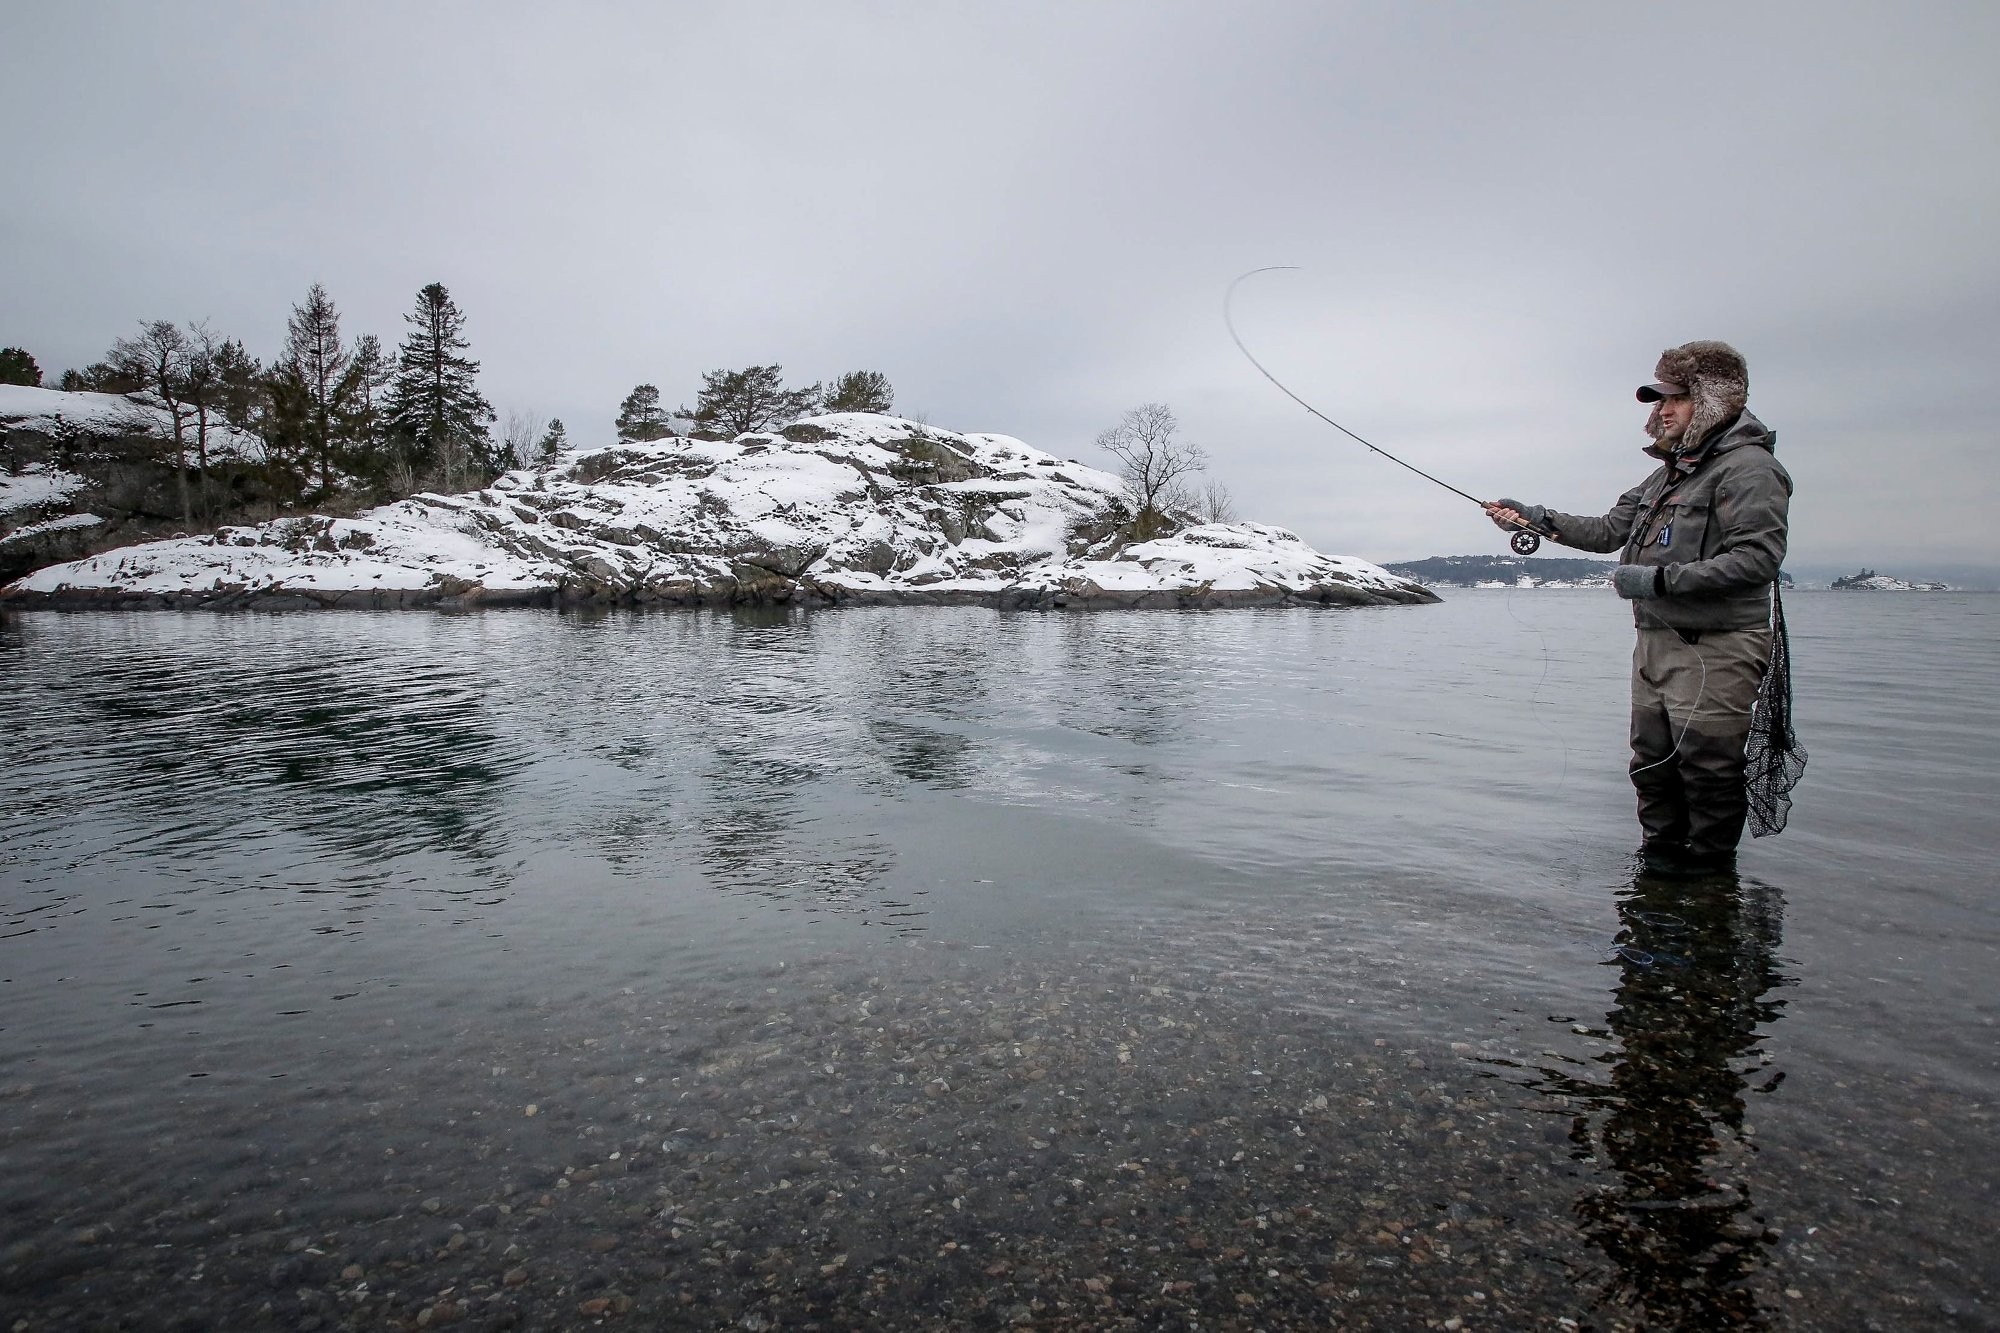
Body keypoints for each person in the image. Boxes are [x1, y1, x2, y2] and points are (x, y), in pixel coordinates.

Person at [1485, 341, 1792, 874]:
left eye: (1675, 398)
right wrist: (1533, 517)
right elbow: (1608, 531)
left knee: (1709, 770)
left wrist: (1656, 581)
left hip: (1719, 649)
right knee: (1652, 765)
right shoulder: (1668, 472)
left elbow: (1758, 559)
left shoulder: (1749, 470)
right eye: (1658, 401)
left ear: (1713, 400)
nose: (1661, 411)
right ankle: (1659, 873)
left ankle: (1709, 884)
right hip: (1654, 646)